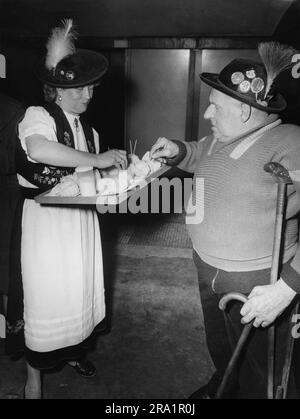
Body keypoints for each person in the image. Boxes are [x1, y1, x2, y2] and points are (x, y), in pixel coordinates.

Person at [150, 42, 300, 398]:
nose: (207, 115)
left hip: (259, 282)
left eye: (214, 107)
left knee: (264, 370)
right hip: (207, 268)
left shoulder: (292, 142)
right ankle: (226, 384)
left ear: (245, 112)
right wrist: (178, 150)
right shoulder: (225, 136)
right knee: (223, 348)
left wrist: (287, 288)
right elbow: (201, 152)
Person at [17, 19, 127, 399]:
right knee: (46, 295)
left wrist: (123, 179)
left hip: (80, 223)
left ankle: (74, 350)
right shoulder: (38, 116)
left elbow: (93, 181)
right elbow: (40, 151)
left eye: (90, 90)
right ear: (58, 91)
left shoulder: (89, 131)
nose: (87, 97)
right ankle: (34, 377)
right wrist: (97, 160)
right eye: (80, 91)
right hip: (46, 223)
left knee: (77, 291)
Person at [0, 92, 25, 356]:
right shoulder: (15, 107)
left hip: (8, 192)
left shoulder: (14, 109)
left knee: (9, 268)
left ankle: (14, 334)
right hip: (8, 191)